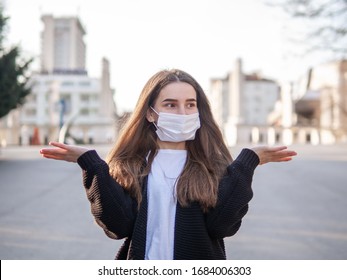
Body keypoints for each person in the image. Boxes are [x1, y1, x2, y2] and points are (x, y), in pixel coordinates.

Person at [40, 69, 297, 260]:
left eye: (190, 105)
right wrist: (92, 165)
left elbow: (223, 226)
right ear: (151, 113)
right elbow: (118, 227)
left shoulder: (213, 165)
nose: (183, 113)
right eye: (170, 105)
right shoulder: (130, 164)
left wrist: (246, 163)